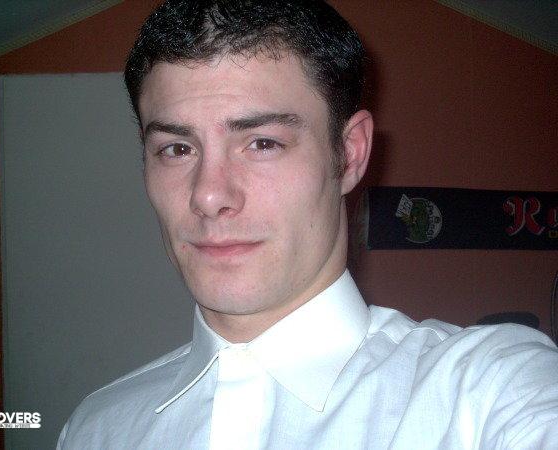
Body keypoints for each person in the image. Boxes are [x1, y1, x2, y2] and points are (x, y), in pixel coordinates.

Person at [57, 0, 558, 448]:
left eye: (263, 143)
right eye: (176, 148)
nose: (208, 196)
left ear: (350, 154)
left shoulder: (490, 392)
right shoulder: (95, 428)